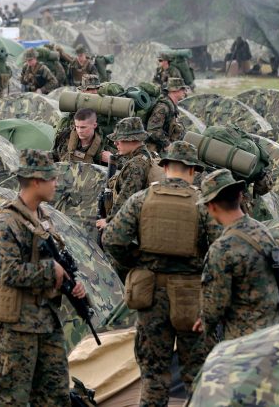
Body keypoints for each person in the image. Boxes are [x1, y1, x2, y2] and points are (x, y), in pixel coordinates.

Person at [103, 142, 220, 405]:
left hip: (151, 294)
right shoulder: (204, 204)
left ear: (165, 167)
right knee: (197, 375)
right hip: (191, 297)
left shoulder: (141, 199)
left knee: (154, 376)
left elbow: (112, 239)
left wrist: (136, 263)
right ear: (192, 170)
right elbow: (220, 248)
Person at [0, 149, 87, 406]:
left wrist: (70, 284)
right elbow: (9, 272)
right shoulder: (6, 221)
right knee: (12, 398)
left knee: (56, 396)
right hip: (18, 326)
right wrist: (49, 271)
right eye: (51, 178)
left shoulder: (43, 218)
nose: (56, 183)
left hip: (46, 322)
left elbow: (55, 262)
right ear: (35, 181)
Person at [196, 169, 279, 345]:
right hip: (275, 331)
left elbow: (214, 305)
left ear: (211, 206)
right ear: (239, 197)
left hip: (244, 342)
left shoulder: (222, 248)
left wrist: (203, 323)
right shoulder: (263, 230)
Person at [96, 117, 153, 231]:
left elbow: (126, 198)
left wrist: (109, 221)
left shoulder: (137, 165)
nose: (115, 143)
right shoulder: (146, 156)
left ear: (132, 139)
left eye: (120, 139)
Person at [145, 77, 187, 154]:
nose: (185, 92)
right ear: (175, 89)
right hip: (155, 150)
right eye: (182, 89)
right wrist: (167, 144)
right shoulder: (163, 107)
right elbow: (153, 130)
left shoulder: (172, 106)